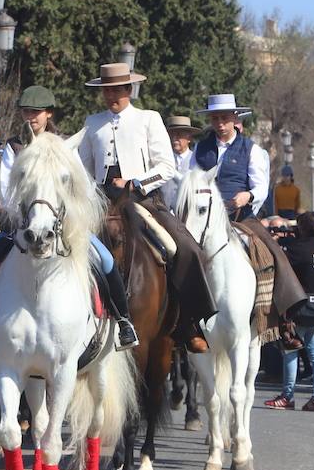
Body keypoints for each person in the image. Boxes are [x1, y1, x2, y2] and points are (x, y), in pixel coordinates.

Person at [0, 74, 144, 360]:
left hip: (63, 228)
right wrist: (16, 211)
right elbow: (9, 191)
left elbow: (83, 188)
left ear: (48, 114)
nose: (30, 117)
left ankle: (122, 322)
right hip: (22, 227)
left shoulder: (65, 146)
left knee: (106, 261)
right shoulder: (14, 148)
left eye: (36, 112)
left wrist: (70, 217)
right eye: (26, 112)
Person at [75, 63, 216, 352]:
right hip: (102, 202)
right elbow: (83, 169)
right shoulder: (92, 123)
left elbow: (165, 166)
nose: (112, 95)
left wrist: (136, 182)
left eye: (117, 89)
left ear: (129, 90)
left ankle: (188, 323)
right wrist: (91, 194)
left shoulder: (148, 119)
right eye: (107, 90)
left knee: (186, 248)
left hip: (142, 200)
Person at [191, 92, 307, 346]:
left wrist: (249, 195)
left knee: (273, 253)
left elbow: (261, 186)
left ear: (234, 118)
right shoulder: (200, 148)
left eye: (224, 117)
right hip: (205, 217)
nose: (219, 123)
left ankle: (284, 320)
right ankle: (181, 323)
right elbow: (190, 180)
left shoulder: (251, 149)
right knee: (178, 252)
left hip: (241, 216)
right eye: (215, 118)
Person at [266, 211, 314, 411]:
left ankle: (287, 396)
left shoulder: (297, 248)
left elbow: (281, 266)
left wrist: (278, 242)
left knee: (291, 350)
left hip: (300, 307)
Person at [160, 115, 201, 210]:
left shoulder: (197, 160)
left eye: (179, 135)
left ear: (189, 138)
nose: (174, 139)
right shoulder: (162, 160)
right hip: (164, 215)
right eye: (171, 135)